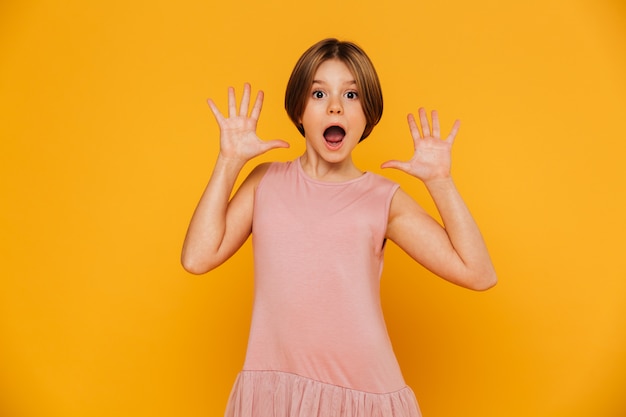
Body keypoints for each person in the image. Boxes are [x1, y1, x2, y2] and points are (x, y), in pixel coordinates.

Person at [181, 38, 497, 417]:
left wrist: (441, 183)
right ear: (299, 110)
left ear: (367, 115)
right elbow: (197, 258)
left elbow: (478, 273)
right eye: (319, 93)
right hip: (276, 397)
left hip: (362, 396)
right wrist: (229, 162)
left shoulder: (382, 198)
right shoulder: (265, 181)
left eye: (351, 94)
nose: (335, 105)